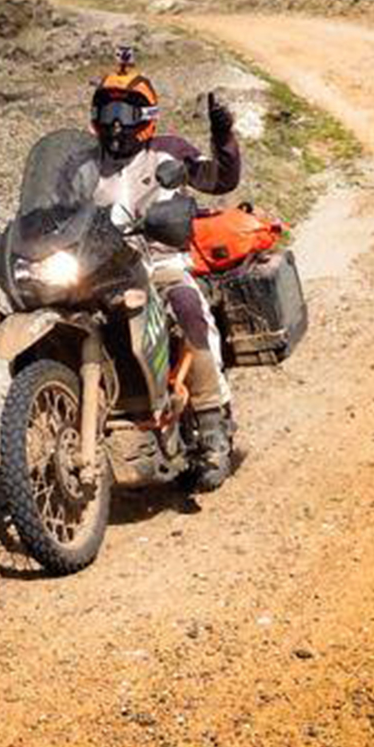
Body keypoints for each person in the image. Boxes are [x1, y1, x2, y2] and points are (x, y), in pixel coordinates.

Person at [88, 52, 241, 490]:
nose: (117, 124)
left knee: (189, 308)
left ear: (147, 117)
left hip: (158, 261)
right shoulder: (83, 161)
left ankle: (212, 427)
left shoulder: (167, 152)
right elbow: (54, 205)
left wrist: (223, 135)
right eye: (108, 111)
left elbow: (219, 180)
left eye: (126, 112)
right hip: (101, 270)